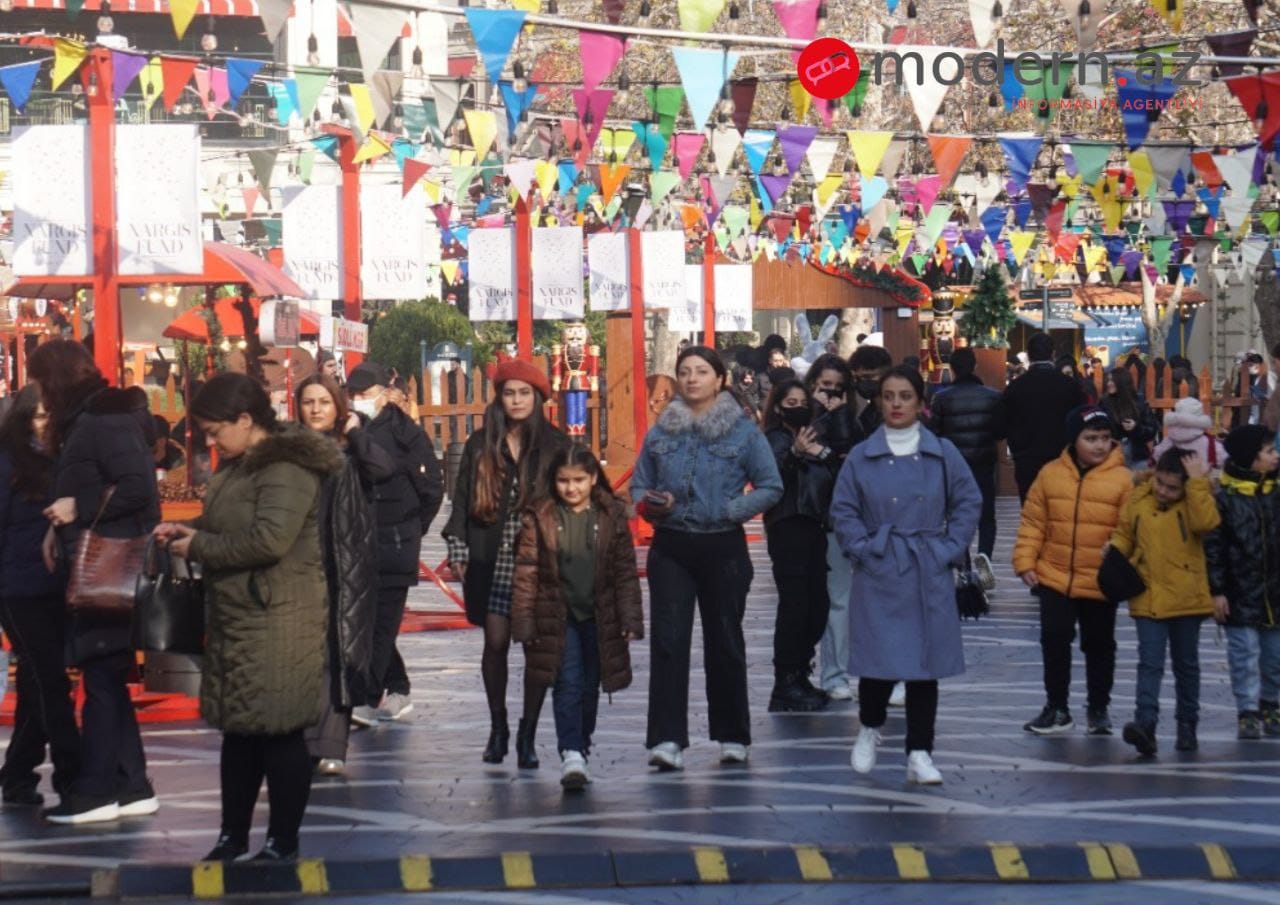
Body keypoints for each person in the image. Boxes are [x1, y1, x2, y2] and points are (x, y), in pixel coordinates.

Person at [154, 373, 341, 861]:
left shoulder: (286, 468)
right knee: (238, 732)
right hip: (240, 615)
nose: (212, 441)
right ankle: (231, 835)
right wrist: (188, 528)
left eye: (216, 431)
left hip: (279, 617)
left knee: (277, 731)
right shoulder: (239, 467)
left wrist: (200, 546)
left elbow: (268, 540)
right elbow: (227, 523)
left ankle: (282, 839)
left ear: (245, 419)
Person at [632, 346, 782, 771]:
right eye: (684, 372)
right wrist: (650, 503)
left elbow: (772, 486)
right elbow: (638, 486)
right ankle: (666, 740)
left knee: (725, 641)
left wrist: (732, 510)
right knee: (668, 642)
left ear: (720, 380)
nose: (692, 378)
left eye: (701, 371)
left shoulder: (743, 432)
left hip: (723, 547)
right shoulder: (662, 430)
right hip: (672, 546)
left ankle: (733, 736)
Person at [29, 340, 159, 825]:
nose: (37, 392)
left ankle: (97, 790)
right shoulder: (94, 420)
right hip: (96, 561)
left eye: (41, 381)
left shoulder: (102, 422)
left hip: (108, 567)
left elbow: (139, 489)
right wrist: (55, 526)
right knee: (106, 676)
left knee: (102, 677)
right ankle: (131, 784)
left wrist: (75, 511)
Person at [830, 366, 981, 785]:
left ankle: (920, 752)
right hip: (882, 567)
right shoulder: (862, 455)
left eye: (905, 396)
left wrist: (950, 548)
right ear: (879, 402)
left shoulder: (942, 452)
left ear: (920, 402)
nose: (896, 404)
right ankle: (869, 725)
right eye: (889, 396)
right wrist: (862, 547)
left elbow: (969, 500)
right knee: (878, 663)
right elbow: (843, 508)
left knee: (923, 668)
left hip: (927, 567)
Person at [444, 359, 570, 768]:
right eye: (509, 393)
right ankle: (498, 727)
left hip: (539, 559)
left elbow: (575, 497)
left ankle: (527, 733)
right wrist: (458, 547)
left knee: (536, 647)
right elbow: (462, 498)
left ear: (537, 397)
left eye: (524, 393)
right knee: (495, 642)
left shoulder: (555, 443)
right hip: (491, 555)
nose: (516, 400)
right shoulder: (482, 443)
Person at [510, 446, 644, 791]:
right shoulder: (539, 516)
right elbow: (526, 573)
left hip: (600, 615)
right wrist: (523, 620)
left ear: (594, 478)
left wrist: (630, 618)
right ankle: (570, 752)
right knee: (567, 681)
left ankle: (581, 742)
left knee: (590, 684)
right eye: (563, 481)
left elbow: (625, 573)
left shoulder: (611, 515)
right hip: (557, 614)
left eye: (579, 480)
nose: (571, 488)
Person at [1013, 406, 1133, 736]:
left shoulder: (1123, 480)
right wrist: (1025, 561)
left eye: (1105, 438)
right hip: (1054, 574)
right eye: (1090, 438)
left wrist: (1119, 548)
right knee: (1054, 639)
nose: (1099, 445)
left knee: (1099, 644)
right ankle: (1057, 707)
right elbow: (1034, 521)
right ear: (1073, 440)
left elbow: (1130, 528)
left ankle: (1098, 706)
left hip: (1099, 578)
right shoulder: (1050, 474)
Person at [295, 374, 391, 776]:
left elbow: (383, 469)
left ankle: (332, 742)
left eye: (324, 402)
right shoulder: (289, 451)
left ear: (339, 407)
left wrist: (357, 434)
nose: (316, 409)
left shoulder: (353, 449)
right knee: (303, 653)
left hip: (345, 564)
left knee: (340, 650)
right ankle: (301, 738)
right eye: (308, 402)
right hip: (300, 564)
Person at [345, 362, 444, 726]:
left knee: (381, 623)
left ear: (385, 393)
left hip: (394, 541)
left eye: (365, 395)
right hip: (356, 542)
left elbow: (432, 488)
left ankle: (366, 698)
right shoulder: (347, 427)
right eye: (353, 395)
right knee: (363, 622)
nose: (359, 401)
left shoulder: (406, 433)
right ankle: (397, 685)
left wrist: (413, 529)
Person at [0, 387, 79, 808]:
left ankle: (17, 774)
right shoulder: (10, 461)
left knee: (37, 682)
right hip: (17, 587)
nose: (45, 423)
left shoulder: (62, 457)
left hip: (52, 583)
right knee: (49, 680)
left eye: (51, 415)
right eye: (38, 416)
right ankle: (71, 772)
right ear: (23, 419)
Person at [1111, 449, 1219, 756]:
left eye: (1173, 487)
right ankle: (1146, 726)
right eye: (1160, 483)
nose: (1163, 491)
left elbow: (1206, 524)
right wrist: (1114, 551)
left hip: (1187, 596)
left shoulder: (1196, 499)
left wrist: (1198, 483)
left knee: (1186, 665)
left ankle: (1187, 724)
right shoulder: (1139, 497)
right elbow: (1124, 534)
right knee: (1149, 664)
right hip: (1149, 593)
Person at [761, 379, 834, 712]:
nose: (798, 407)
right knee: (795, 605)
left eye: (803, 401)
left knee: (817, 605)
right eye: (790, 402)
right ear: (778, 407)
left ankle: (801, 671)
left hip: (814, 526)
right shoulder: (774, 439)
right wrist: (794, 453)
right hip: (787, 525)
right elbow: (770, 480)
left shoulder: (815, 435)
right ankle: (786, 681)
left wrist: (820, 452)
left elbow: (834, 472)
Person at [1204, 425, 1280, 740]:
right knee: (1244, 654)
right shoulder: (1226, 498)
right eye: (1269, 451)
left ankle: (1271, 703)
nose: (1276, 456)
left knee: (1274, 655)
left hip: (1274, 592)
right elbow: (1214, 549)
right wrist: (1217, 591)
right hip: (1239, 592)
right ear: (1251, 458)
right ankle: (1247, 708)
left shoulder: (1275, 494)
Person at [804, 354, 865, 701]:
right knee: (812, 601)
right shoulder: (801, 413)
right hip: (810, 518)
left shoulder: (852, 419)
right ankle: (808, 670)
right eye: (824, 386)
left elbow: (848, 456)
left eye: (838, 389)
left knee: (840, 600)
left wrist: (839, 414)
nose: (830, 393)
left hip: (841, 519)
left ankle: (835, 674)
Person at [929, 347, 1006, 588]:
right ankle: (984, 556)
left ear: (952, 369)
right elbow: (1000, 431)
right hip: (984, 462)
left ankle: (964, 567)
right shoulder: (992, 397)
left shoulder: (941, 398)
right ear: (974, 367)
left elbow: (935, 433)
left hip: (954, 467)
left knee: (956, 517)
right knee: (986, 516)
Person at [1003, 333, 1086, 502]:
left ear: (1028, 355)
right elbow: (1082, 421)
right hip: (1062, 459)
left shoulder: (1016, 388)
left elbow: (1002, 424)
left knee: (1030, 510)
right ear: (1053, 354)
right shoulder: (1070, 386)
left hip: (1026, 459)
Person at [1102, 367, 1157, 468]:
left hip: (1137, 457)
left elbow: (1151, 430)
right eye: (1108, 380)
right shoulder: (1104, 403)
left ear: (1122, 382)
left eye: (1112, 380)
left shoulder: (1139, 401)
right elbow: (1099, 428)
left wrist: (1136, 427)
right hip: (1113, 458)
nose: (1108, 383)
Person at [1152, 397, 1227, 472]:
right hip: (1200, 482)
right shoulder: (1211, 444)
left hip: (1170, 481)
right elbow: (1224, 460)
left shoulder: (1168, 441)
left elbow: (1155, 458)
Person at [848, 344, 892, 437]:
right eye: (858, 378)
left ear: (887, 375)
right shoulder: (866, 415)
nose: (862, 382)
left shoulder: (901, 411)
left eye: (868, 377)